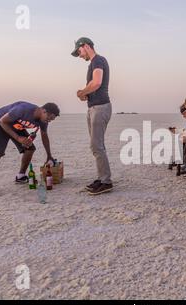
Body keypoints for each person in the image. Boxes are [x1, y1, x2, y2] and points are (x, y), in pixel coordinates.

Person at [0, 102, 60, 197]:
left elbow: (44, 136)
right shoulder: (23, 109)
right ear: (44, 111)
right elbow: (2, 121)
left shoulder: (43, 121)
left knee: (30, 148)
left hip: (16, 125)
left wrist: (49, 155)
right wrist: (18, 138)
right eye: (50, 118)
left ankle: (20, 176)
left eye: (52, 120)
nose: (49, 121)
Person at [72, 37, 113, 196]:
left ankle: (106, 182)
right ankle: (101, 178)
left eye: (79, 51)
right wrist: (83, 93)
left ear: (86, 46)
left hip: (100, 107)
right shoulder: (94, 62)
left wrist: (82, 93)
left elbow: (96, 83)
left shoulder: (98, 60)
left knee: (96, 145)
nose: (79, 55)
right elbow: (93, 86)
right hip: (94, 107)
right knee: (96, 145)